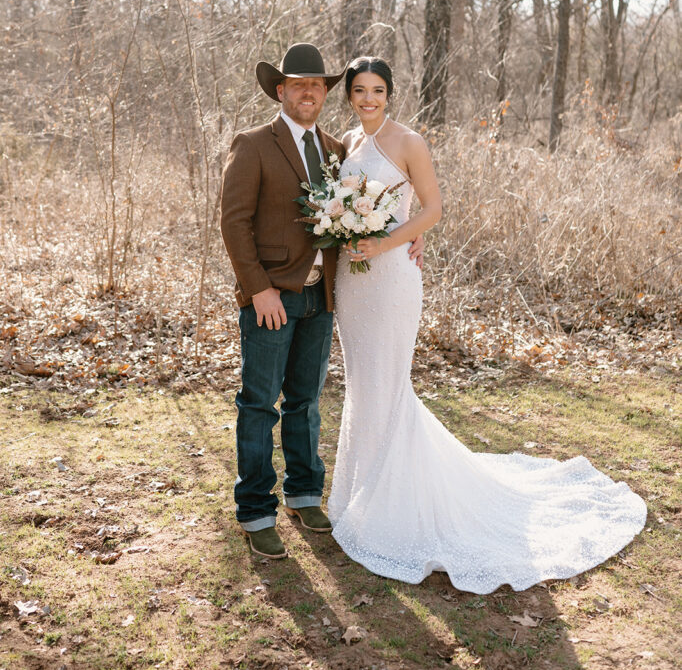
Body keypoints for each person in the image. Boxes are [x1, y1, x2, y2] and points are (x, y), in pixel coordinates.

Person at [328, 56, 647, 592]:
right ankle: (358, 492)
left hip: (389, 277)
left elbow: (432, 209)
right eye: (359, 90)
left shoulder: (409, 142)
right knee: (362, 383)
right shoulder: (347, 143)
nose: (367, 99)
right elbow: (339, 205)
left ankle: (394, 506)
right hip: (351, 280)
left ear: (391, 93)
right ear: (350, 97)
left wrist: (387, 241)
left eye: (377, 90)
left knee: (389, 383)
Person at [220, 43, 422, 560]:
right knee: (259, 404)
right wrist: (258, 289)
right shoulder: (252, 143)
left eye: (317, 85)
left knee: (306, 401)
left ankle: (305, 494)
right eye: (298, 84)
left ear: (325, 94)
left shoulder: (336, 150)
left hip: (323, 296)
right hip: (272, 298)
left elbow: (376, 202)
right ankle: (255, 510)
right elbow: (234, 223)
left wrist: (408, 234)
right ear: (281, 90)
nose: (308, 92)